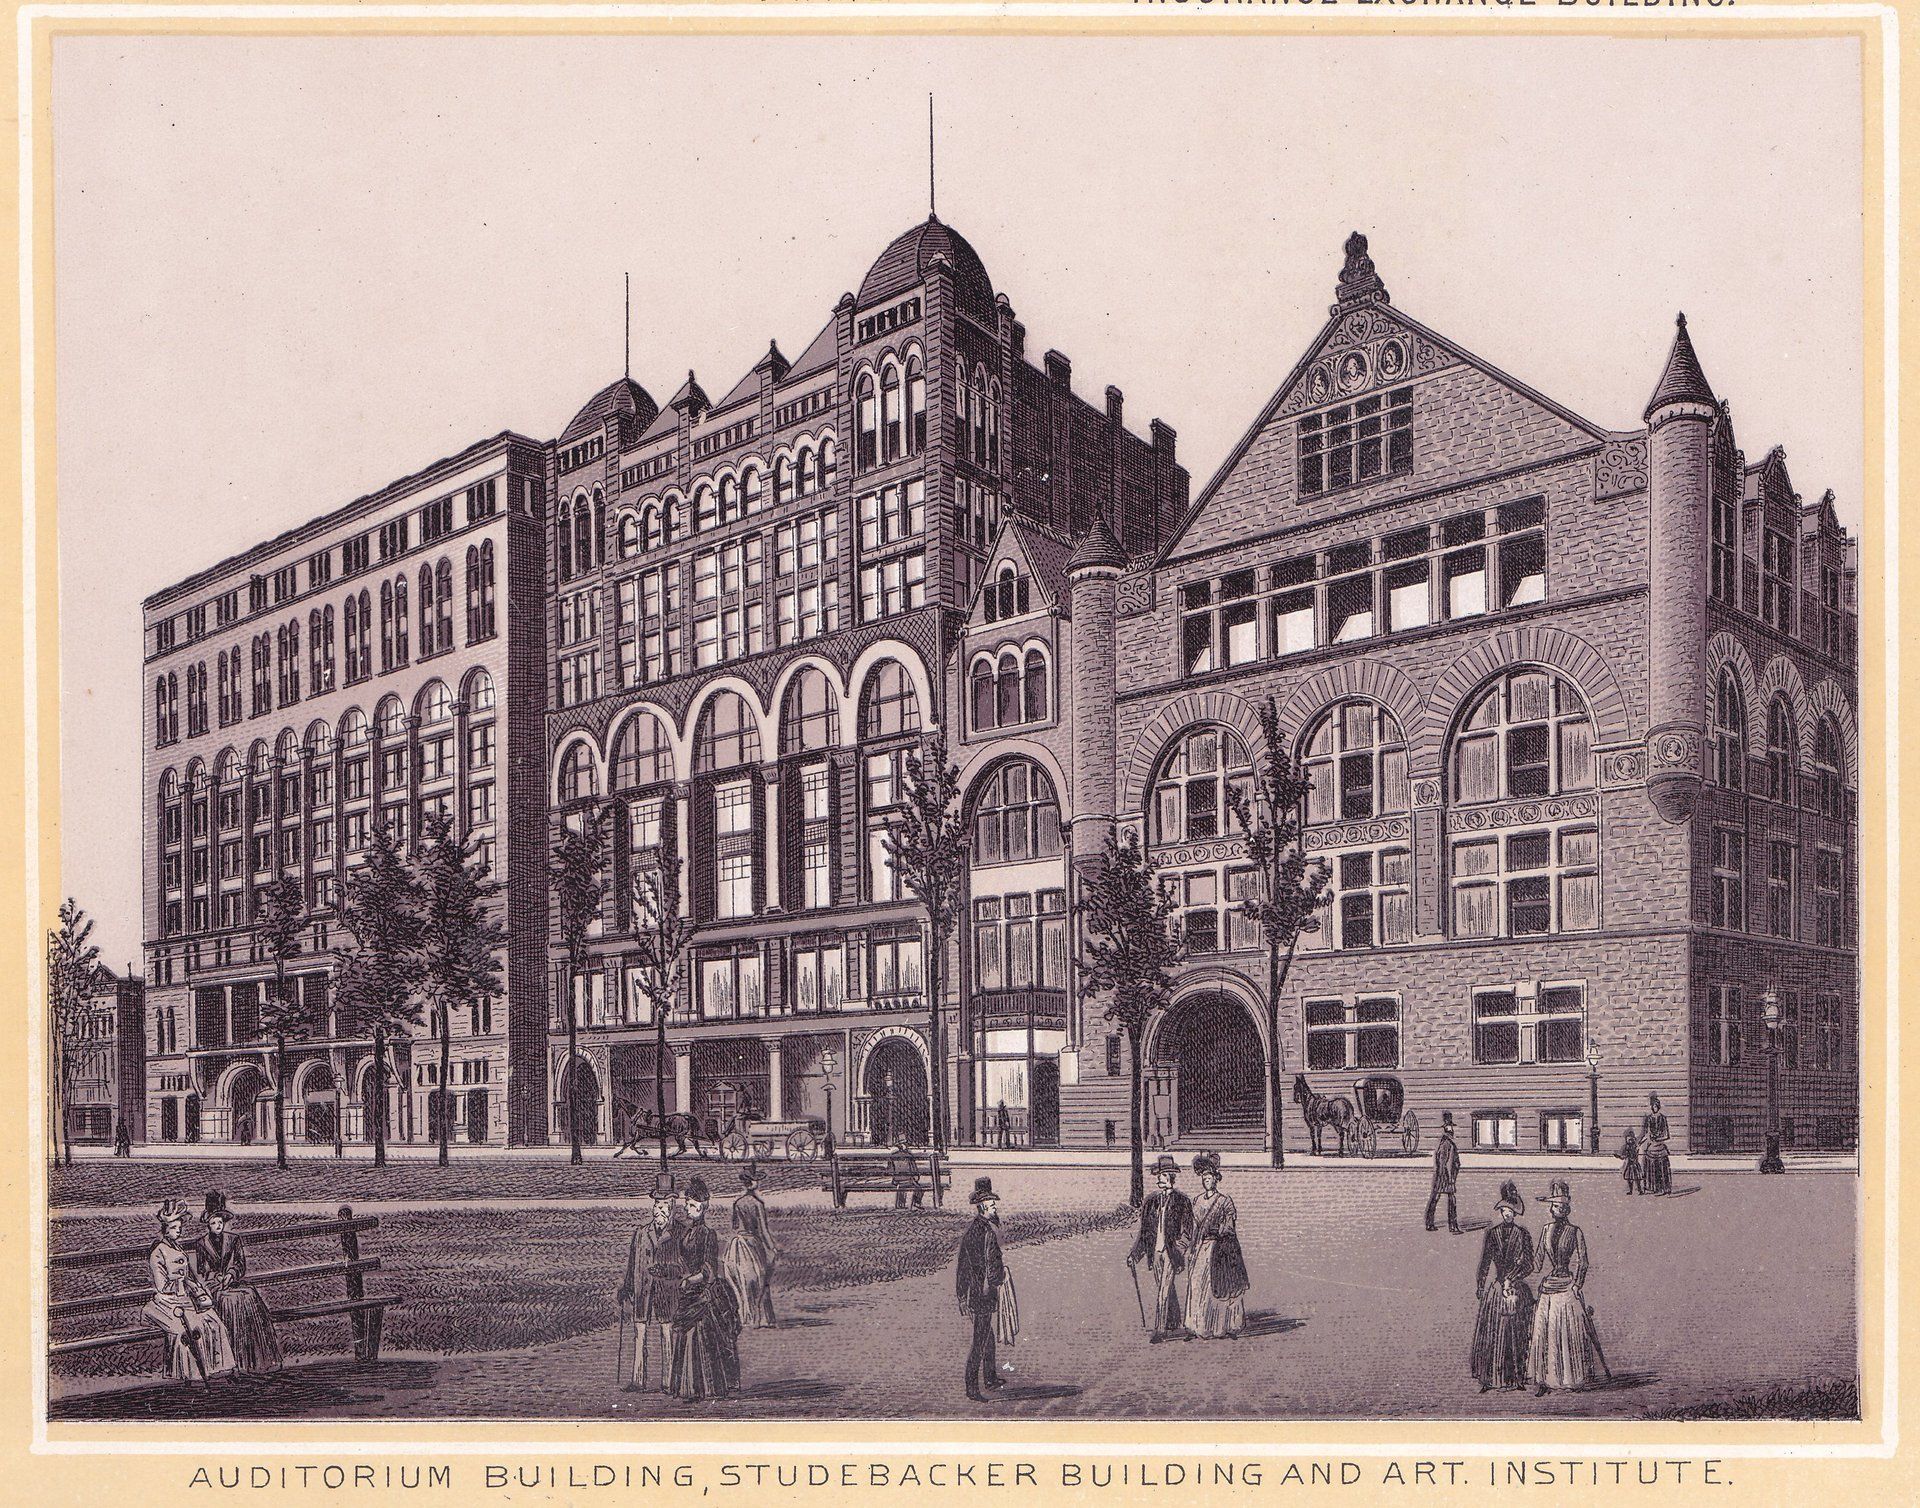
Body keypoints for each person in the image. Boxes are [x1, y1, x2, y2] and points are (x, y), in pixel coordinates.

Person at [1527, 1180, 1610, 1394]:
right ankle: (1545, 1380)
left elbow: (1583, 1261)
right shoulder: (1545, 1230)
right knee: (1545, 1333)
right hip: (1548, 1288)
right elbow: (1537, 1262)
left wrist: (1577, 1284)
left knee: (1568, 1334)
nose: (1559, 1210)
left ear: (1567, 1209)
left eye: (1563, 1207)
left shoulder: (1575, 1232)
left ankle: (1572, 1379)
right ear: (1551, 1209)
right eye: (1555, 1206)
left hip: (1567, 1287)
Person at [141, 1199, 233, 1384]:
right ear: (166, 1229)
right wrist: (182, 1284)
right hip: (167, 1301)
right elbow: (162, 1286)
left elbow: (189, 1276)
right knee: (188, 1330)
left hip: (185, 1298)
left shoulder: (178, 1248)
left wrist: (195, 1287)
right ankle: (191, 1375)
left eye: (179, 1228)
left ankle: (221, 1369)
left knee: (213, 1322)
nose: (179, 1231)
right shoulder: (158, 1252)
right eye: (175, 1228)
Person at [190, 1191, 282, 1375]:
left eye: (220, 1223)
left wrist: (231, 1275)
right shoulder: (201, 1244)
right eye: (214, 1223)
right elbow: (203, 1270)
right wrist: (217, 1278)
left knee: (248, 1295)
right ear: (208, 1224)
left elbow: (239, 1264)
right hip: (214, 1286)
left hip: (232, 1282)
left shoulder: (233, 1239)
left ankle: (256, 1359)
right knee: (230, 1301)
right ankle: (235, 1361)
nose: (218, 1226)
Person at [668, 1177, 742, 1400]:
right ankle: (688, 1386)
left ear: (704, 1206)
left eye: (694, 1205)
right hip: (688, 1291)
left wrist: (691, 1280)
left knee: (706, 1338)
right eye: (687, 1204)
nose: (689, 1209)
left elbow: (709, 1270)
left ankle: (707, 1386)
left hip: (703, 1293)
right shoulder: (686, 1232)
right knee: (685, 1335)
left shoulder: (708, 1234)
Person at [616, 1176, 681, 1393]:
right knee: (639, 1333)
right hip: (642, 1289)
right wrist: (626, 1287)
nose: (658, 1210)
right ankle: (637, 1379)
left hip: (667, 1290)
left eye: (663, 1206)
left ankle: (669, 1381)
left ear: (672, 1207)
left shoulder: (680, 1232)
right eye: (656, 1205)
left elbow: (683, 1265)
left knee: (667, 1334)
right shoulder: (641, 1232)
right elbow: (632, 1263)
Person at [1470, 1181, 1535, 1391]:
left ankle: (1517, 1376)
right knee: (1493, 1333)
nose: (1508, 1213)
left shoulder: (1523, 1234)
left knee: (1516, 1332)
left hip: (1516, 1287)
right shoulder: (1492, 1234)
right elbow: (1485, 1261)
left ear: (1515, 1213)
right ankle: (1490, 1378)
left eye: (1512, 1211)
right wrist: (1481, 1284)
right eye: (1505, 1210)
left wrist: (1513, 1277)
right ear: (1501, 1211)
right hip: (1497, 1289)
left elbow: (1529, 1264)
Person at [1126, 1155, 1193, 1342]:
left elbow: (1188, 1229)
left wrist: (1180, 1248)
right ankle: (1174, 1321)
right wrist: (1135, 1255)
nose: (1158, 1178)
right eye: (1158, 1175)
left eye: (1162, 1175)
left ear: (1171, 1177)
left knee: (1163, 1290)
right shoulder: (1150, 1202)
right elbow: (1145, 1232)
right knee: (1166, 1287)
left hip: (1172, 1252)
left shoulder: (1182, 1201)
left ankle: (1160, 1330)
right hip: (1155, 1252)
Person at [1185, 1152, 1248, 1339]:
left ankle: (1223, 1326)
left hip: (1219, 1248)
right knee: (1197, 1284)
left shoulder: (1224, 1201)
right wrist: (1192, 1247)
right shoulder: (1196, 1201)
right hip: (1201, 1248)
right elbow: (1194, 1226)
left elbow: (1230, 1226)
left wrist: (1218, 1230)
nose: (1207, 1181)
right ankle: (1197, 1325)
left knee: (1220, 1284)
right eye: (1204, 1178)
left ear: (1216, 1179)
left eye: (1210, 1177)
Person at [954, 1177, 1007, 1401]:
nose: (995, 1208)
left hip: (975, 1293)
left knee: (987, 1336)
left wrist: (961, 1296)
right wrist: (1001, 1279)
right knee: (980, 1341)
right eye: (992, 1205)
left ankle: (990, 1377)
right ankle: (972, 1388)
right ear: (983, 1206)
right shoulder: (983, 1233)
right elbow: (987, 1266)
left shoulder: (977, 1229)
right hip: (982, 1294)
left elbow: (963, 1268)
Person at [723, 1165, 778, 1330]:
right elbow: (763, 1229)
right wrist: (772, 1247)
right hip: (753, 1244)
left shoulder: (737, 1203)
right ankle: (762, 1319)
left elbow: (734, 1225)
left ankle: (747, 1317)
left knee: (743, 1282)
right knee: (762, 1280)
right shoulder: (757, 1204)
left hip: (738, 1244)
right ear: (753, 1183)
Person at [1425, 1112, 1462, 1233]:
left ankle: (1430, 1223)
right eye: (1450, 1127)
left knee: (1436, 1198)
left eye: (1452, 1127)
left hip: (1443, 1176)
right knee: (1450, 1200)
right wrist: (1450, 1178)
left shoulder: (1447, 1143)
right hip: (1445, 1177)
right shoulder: (1447, 1144)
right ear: (1446, 1128)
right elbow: (1444, 1163)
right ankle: (1452, 1226)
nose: (1452, 1130)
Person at [1640, 1094, 1673, 1195]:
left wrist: (1658, 1138)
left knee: (1661, 1167)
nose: (1654, 1108)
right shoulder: (1649, 1118)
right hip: (1651, 1145)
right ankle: (1653, 1187)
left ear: (1658, 1107)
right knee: (1649, 1164)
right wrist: (1645, 1140)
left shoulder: (1663, 1118)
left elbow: (1667, 1134)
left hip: (1660, 1145)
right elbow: (1647, 1132)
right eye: (1652, 1106)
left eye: (1655, 1106)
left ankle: (1664, 1188)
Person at [888, 1138, 924, 1209]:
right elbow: (914, 1170)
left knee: (902, 1186)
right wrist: (916, 1178)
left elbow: (890, 1170)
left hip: (897, 1180)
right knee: (919, 1188)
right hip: (908, 1179)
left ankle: (900, 1205)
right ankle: (916, 1203)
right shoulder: (909, 1155)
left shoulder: (892, 1156)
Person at [1619, 1130, 1644, 1195]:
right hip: (1630, 1165)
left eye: (1631, 1139)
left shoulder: (1635, 1146)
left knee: (1637, 1178)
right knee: (1630, 1178)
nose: (1629, 1140)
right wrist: (1620, 1156)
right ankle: (1631, 1190)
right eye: (1628, 1139)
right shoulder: (1627, 1147)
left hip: (1634, 1164)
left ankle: (1640, 1190)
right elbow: (1624, 1156)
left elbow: (1634, 1154)